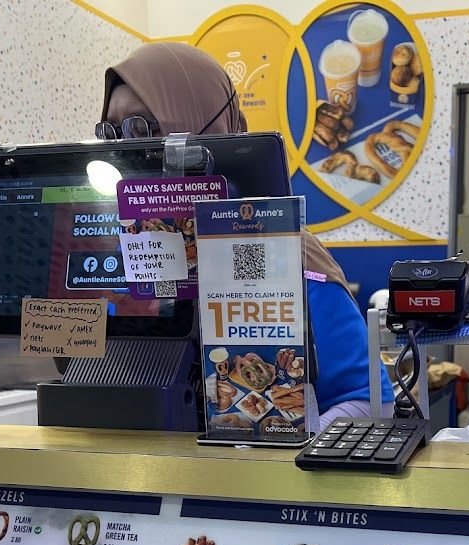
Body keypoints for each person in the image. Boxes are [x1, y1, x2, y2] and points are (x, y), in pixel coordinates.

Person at [99, 42, 394, 426]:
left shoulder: (293, 260)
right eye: (110, 130)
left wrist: (278, 446)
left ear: (206, 125)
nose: (124, 147)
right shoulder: (116, 256)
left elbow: (371, 400)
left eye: (143, 127)